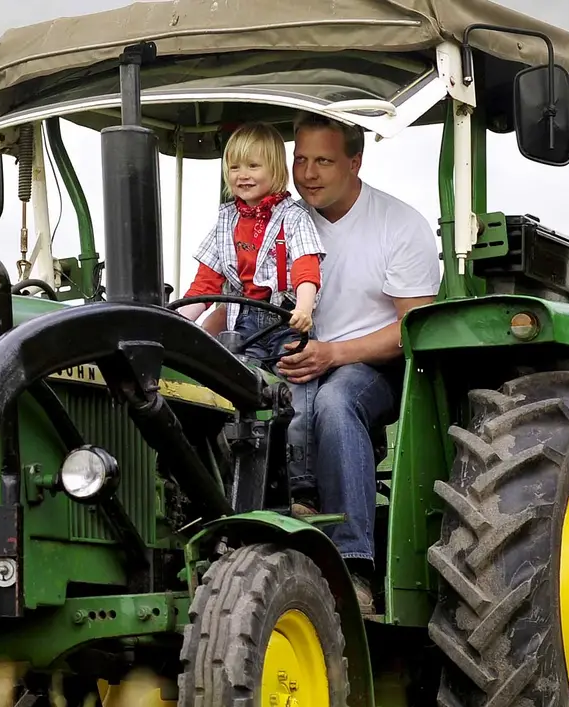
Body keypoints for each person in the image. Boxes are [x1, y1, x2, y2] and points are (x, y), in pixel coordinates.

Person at [276, 113, 442, 615]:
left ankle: (354, 562)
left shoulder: (397, 224)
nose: (308, 174)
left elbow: (413, 329)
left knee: (336, 398)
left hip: (375, 366)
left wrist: (333, 353)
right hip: (294, 360)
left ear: (355, 161)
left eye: (323, 161)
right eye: (299, 160)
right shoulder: (280, 221)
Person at [176, 121, 326, 365]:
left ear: (275, 170)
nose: (242, 175)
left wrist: (303, 309)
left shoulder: (293, 218)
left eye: (253, 166)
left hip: (285, 319)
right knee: (240, 380)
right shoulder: (226, 221)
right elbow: (206, 283)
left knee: (294, 373)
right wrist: (177, 321)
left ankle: (302, 404)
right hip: (244, 322)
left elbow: (305, 267)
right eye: (234, 167)